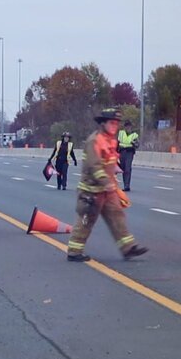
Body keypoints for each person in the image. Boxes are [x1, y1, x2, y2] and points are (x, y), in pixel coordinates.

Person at [66, 108, 148, 262]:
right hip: (91, 191)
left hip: (108, 191)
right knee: (86, 221)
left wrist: (114, 173)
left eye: (116, 123)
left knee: (117, 217)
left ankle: (128, 248)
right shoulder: (94, 141)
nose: (114, 126)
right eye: (111, 123)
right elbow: (94, 166)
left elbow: (110, 160)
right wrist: (106, 181)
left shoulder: (112, 140)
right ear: (102, 123)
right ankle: (74, 251)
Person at [117, 120, 140, 191]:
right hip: (122, 152)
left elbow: (137, 145)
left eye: (129, 126)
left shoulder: (134, 135)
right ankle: (125, 185)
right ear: (124, 127)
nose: (128, 128)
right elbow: (117, 143)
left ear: (131, 127)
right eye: (126, 126)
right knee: (123, 168)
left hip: (129, 152)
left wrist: (134, 144)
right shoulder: (121, 133)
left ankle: (127, 186)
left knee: (127, 168)